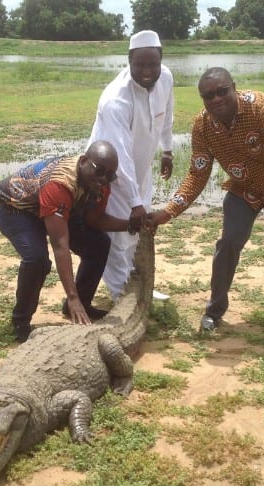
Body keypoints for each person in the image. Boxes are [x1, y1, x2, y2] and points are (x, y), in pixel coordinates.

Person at [147, 67, 264, 331]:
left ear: (234, 87)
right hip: (244, 189)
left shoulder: (261, 107)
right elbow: (197, 173)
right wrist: (168, 212)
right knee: (227, 243)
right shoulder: (203, 126)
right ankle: (214, 311)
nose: (216, 99)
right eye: (208, 96)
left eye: (222, 91)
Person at [0, 140, 130, 343]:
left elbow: (94, 220)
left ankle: (81, 303)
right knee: (37, 260)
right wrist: (71, 295)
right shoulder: (59, 184)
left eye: (110, 175)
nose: (103, 179)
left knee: (98, 244)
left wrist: (130, 225)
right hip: (16, 208)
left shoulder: (101, 183)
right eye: (99, 171)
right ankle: (21, 321)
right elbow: (60, 245)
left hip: (57, 207)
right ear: (83, 161)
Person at [87, 29, 175, 300]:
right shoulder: (116, 100)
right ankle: (120, 294)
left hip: (141, 167)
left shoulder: (166, 78)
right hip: (108, 175)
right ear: (129, 61)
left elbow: (167, 115)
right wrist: (133, 201)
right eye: (140, 64)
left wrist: (168, 150)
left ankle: (135, 281)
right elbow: (120, 154)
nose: (147, 71)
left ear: (161, 61)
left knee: (141, 224)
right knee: (119, 233)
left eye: (153, 64)